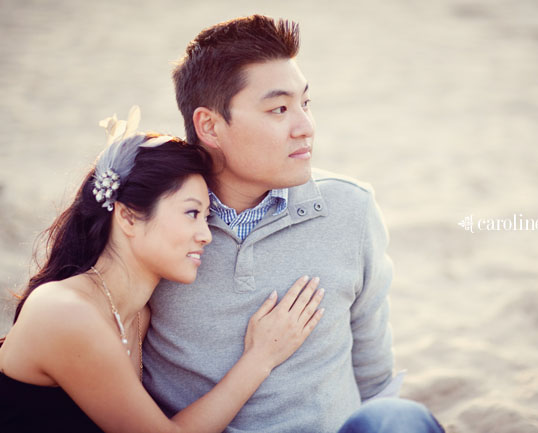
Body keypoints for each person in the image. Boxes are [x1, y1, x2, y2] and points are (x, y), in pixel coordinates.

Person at [143, 15, 445, 432]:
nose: (305, 127)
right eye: (279, 109)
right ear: (209, 126)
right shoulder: (157, 224)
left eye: (305, 104)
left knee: (397, 418)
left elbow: (374, 374)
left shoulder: (350, 208)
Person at [0, 106, 326, 433]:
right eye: (191, 213)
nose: (206, 234)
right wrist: (260, 358)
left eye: (207, 216)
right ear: (127, 217)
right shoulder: (66, 311)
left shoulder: (139, 316)